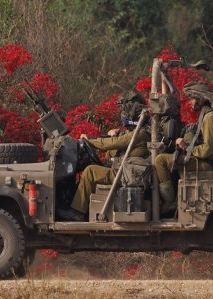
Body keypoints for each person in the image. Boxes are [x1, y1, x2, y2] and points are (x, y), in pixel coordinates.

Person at [57, 90, 150, 221]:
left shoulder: (140, 134)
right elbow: (115, 143)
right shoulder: (137, 132)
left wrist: (89, 141)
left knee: (90, 171)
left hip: (125, 175)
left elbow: (113, 143)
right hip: (123, 172)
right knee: (96, 164)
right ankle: (83, 207)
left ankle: (76, 212)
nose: (122, 114)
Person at [153, 81, 213, 214]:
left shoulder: (210, 118)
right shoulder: (206, 114)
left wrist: (186, 147)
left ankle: (170, 203)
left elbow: (207, 149)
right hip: (201, 159)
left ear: (200, 99)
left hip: (205, 163)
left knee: (160, 160)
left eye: (192, 98)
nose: (190, 102)